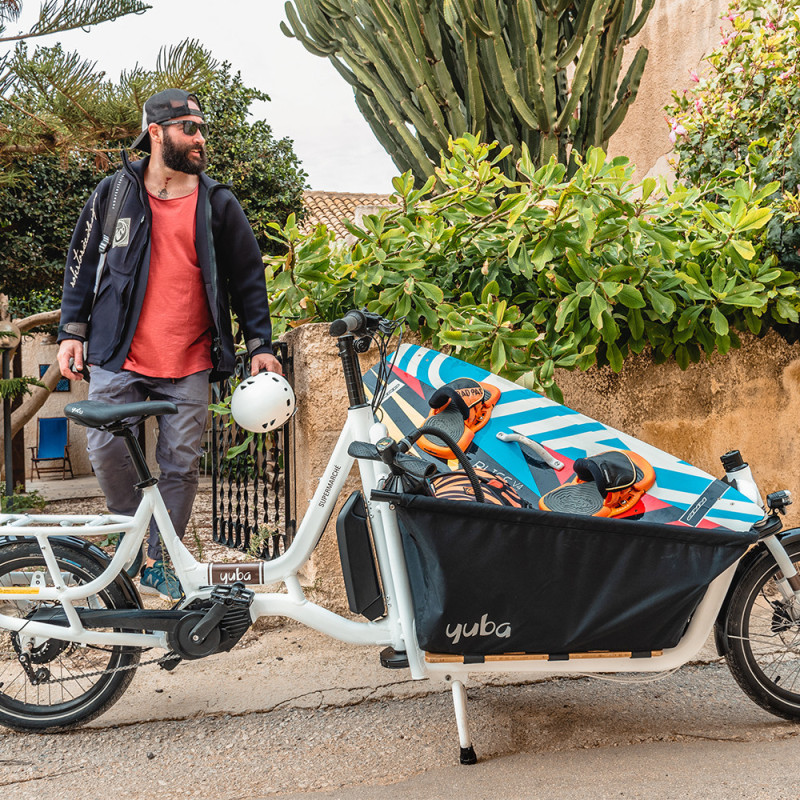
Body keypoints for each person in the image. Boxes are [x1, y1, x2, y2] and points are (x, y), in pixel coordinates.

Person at [57, 88, 282, 601]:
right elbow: (81, 263)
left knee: (181, 464)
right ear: (156, 133)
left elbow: (249, 278)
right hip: (119, 353)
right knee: (106, 448)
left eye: (201, 127)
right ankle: (130, 539)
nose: (200, 138)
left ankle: (161, 558)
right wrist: (72, 331)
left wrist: (259, 344)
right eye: (189, 128)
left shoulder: (217, 203)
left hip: (190, 360)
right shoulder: (114, 193)